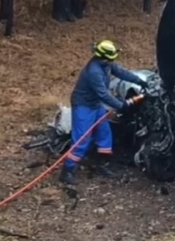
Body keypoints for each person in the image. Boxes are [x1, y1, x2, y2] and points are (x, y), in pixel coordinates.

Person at [60, 40, 148, 185]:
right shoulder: (94, 71)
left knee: (104, 134)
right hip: (84, 106)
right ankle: (67, 171)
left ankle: (101, 164)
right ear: (104, 57)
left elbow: (121, 72)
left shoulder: (106, 64)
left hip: (96, 105)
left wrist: (140, 81)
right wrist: (122, 106)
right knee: (82, 140)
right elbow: (104, 95)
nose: (113, 60)